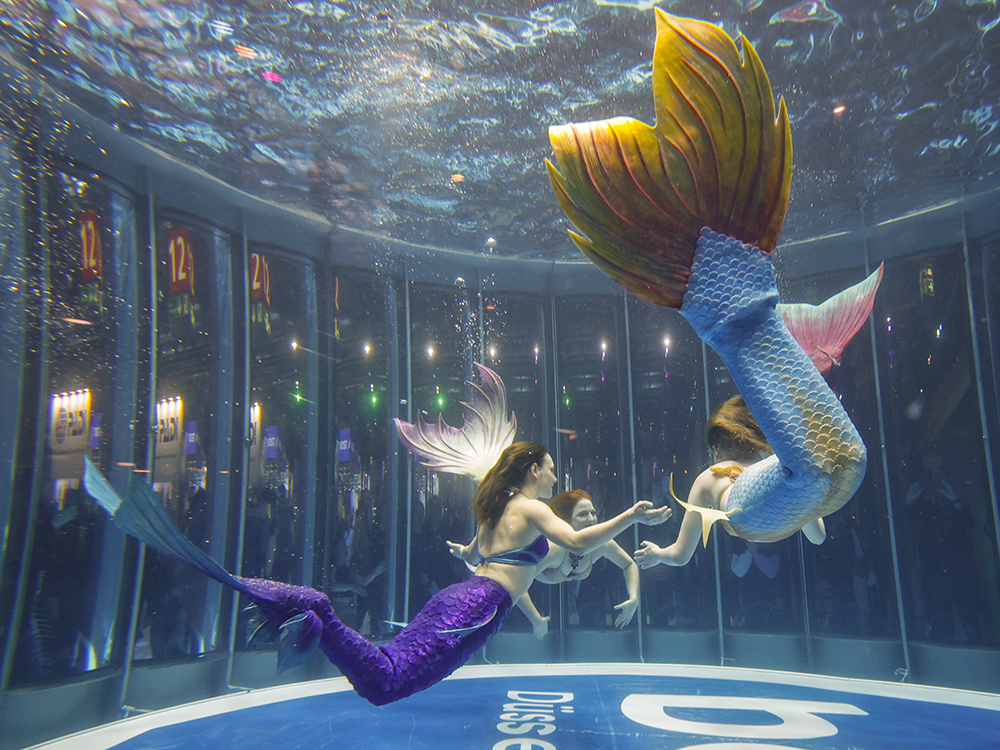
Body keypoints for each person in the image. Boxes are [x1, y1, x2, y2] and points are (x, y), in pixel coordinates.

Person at [84, 442, 669, 706]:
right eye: (549, 468)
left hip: (462, 597)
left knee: (385, 675)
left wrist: (471, 555)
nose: (553, 475)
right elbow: (578, 539)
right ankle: (316, 611)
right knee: (386, 683)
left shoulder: (497, 509)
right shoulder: (530, 506)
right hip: (475, 610)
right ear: (533, 470)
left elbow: (473, 556)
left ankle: (315, 619)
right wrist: (631, 515)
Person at [634, 396, 827, 570]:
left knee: (780, 480)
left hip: (749, 505)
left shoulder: (709, 477)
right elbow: (818, 537)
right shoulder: (770, 471)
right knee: (791, 478)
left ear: (716, 449)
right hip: (780, 494)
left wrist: (658, 554)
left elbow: (680, 555)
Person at [514, 490, 640, 638]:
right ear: (566, 520)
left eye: (593, 513)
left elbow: (629, 565)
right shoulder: (554, 548)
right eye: (582, 514)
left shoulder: (601, 545)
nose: (591, 519)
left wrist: (634, 599)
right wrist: (535, 619)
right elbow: (516, 583)